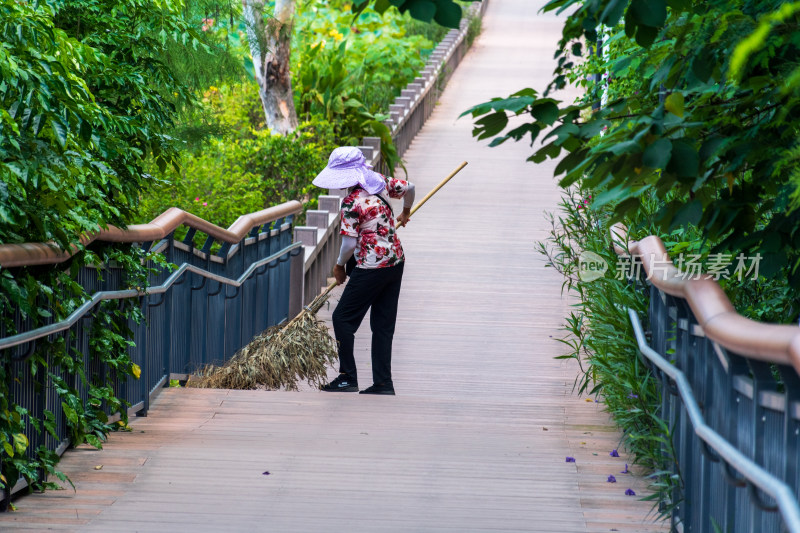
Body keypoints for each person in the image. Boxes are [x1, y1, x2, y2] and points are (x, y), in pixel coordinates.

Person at [312, 147, 415, 395]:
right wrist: (406, 211)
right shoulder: (379, 182)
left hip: (371, 266)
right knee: (382, 325)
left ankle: (348, 377)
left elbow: (348, 244)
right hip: (395, 261)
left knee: (342, 319)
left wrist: (338, 266)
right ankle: (383, 382)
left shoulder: (351, 203)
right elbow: (409, 188)